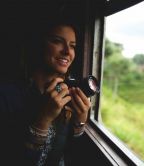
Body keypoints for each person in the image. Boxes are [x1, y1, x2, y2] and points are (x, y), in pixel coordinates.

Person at [0, 19, 91, 166]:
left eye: (72, 46)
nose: (67, 51)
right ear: (37, 44)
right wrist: (44, 119)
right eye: (57, 41)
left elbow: (71, 156)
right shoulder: (7, 95)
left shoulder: (68, 93)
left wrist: (79, 123)